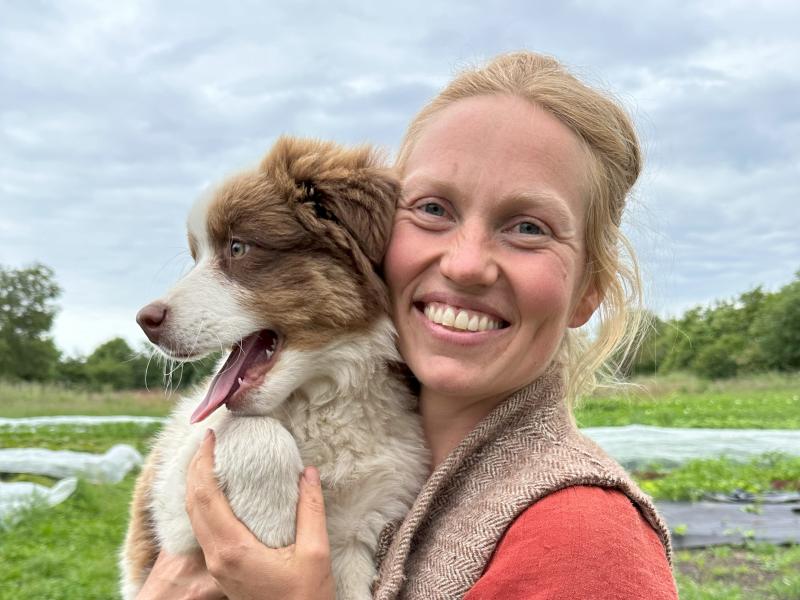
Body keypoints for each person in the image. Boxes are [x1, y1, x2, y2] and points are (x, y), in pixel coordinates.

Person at [137, 52, 678, 599]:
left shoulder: (588, 545)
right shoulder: (320, 410)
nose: (466, 264)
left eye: (529, 227)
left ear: (587, 292)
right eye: (433, 209)